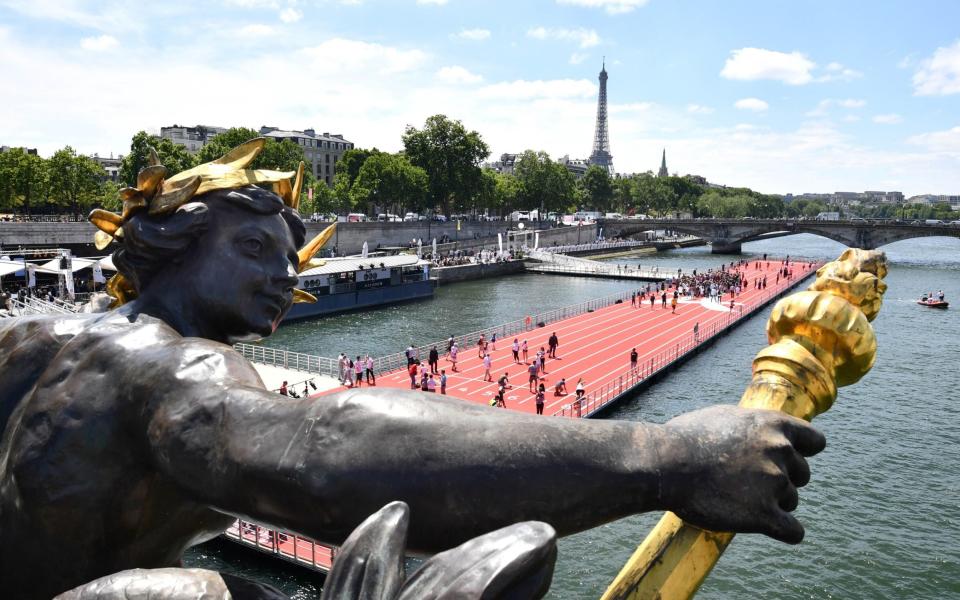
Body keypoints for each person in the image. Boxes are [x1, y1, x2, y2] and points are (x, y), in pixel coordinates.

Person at [1, 143, 826, 599]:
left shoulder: (28, 335)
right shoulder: (176, 367)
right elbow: (324, 452)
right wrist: (664, 457)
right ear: (170, 242)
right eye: (254, 249)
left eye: (290, 262)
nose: (282, 277)